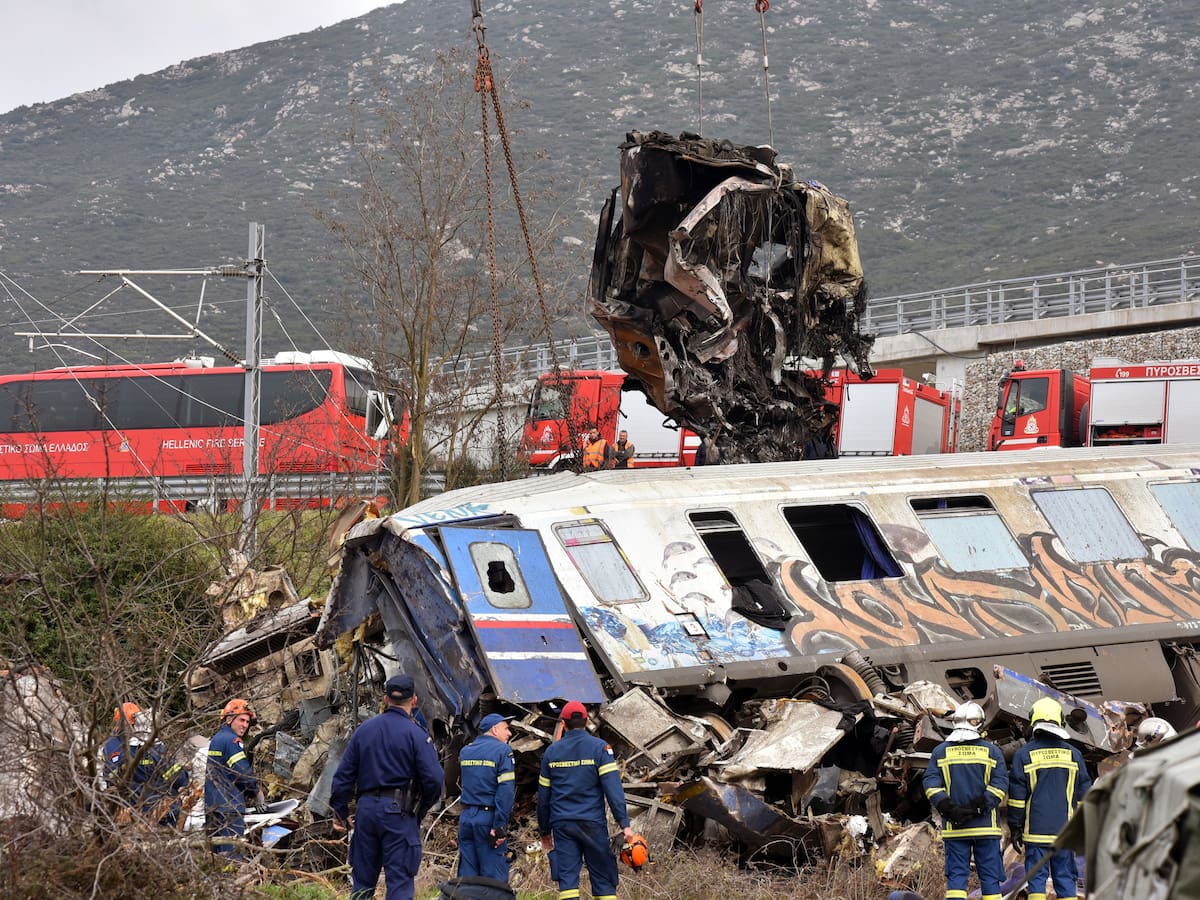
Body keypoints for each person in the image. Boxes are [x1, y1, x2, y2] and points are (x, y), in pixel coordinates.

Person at [330, 674, 444, 900]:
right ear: (414, 700)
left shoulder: (364, 731)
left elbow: (342, 777)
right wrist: (419, 809)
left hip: (366, 813)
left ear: (385, 699)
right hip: (399, 816)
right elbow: (434, 779)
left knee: (362, 884)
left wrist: (340, 812)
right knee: (399, 883)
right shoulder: (416, 735)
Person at [538, 701, 635, 900]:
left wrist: (544, 830)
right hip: (592, 824)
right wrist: (624, 824)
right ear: (586, 720)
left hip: (563, 825)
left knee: (567, 882)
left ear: (563, 724)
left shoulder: (551, 752)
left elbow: (544, 797)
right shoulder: (600, 748)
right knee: (604, 879)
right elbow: (613, 790)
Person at [1008, 698, 1092, 900]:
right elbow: (1084, 795)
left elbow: (1017, 798)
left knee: (1036, 879)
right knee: (1065, 878)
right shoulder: (1074, 755)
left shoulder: (1024, 755)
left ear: (1033, 721)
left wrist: (1015, 827)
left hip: (1035, 832)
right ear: (1060, 721)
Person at [923, 701, 1008, 900]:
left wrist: (947, 807)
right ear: (980, 723)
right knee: (990, 879)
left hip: (955, 829)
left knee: (956, 880)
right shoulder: (992, 751)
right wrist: (980, 805)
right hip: (986, 828)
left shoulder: (940, 752)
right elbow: (1000, 783)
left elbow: (930, 782)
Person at [102, 702, 190, 826]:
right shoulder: (159, 750)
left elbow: (112, 779)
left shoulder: (123, 751)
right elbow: (179, 779)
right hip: (162, 810)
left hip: (138, 811)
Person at [457, 712, 516, 881]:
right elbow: (505, 791)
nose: (509, 733)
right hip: (488, 819)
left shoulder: (466, 751)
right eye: (506, 729)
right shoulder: (503, 751)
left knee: (467, 878)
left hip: (466, 818)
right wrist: (499, 826)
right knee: (493, 879)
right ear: (495, 730)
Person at [205, 698, 266, 858]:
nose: (245, 725)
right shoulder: (232, 741)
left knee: (216, 858)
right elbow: (242, 772)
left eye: (247, 722)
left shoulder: (217, 739)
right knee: (232, 858)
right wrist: (256, 792)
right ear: (229, 719)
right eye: (241, 720)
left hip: (213, 807)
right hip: (229, 808)